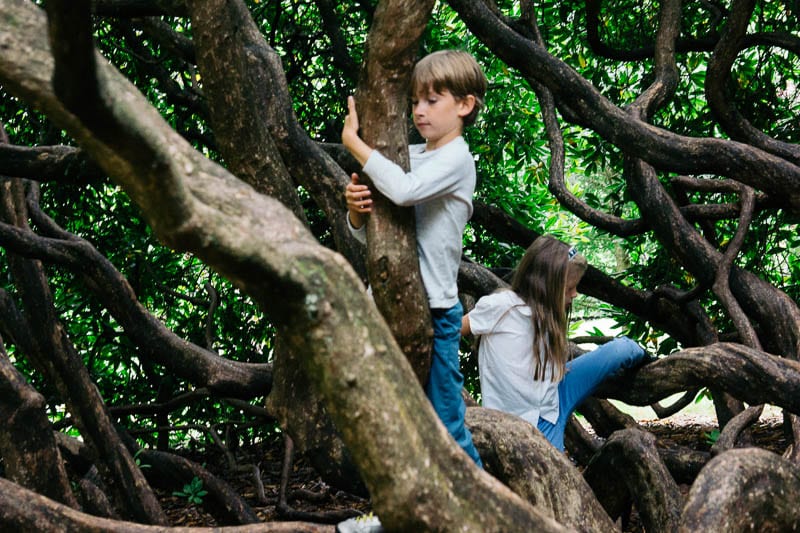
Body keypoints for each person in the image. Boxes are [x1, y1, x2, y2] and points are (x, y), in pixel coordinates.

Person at [341, 49, 488, 468]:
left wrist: (355, 144)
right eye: (414, 102)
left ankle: (485, 515)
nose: (419, 111)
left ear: (464, 105)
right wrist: (355, 209)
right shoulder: (410, 154)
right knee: (391, 422)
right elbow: (372, 232)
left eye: (432, 100)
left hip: (436, 312)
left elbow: (404, 190)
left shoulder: (457, 158)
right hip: (385, 305)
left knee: (447, 426)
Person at [461, 235, 649, 452]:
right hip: (529, 425)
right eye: (570, 288)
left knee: (621, 350)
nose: (575, 294)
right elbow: (450, 331)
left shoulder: (547, 313)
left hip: (555, 396)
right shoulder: (501, 307)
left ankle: (645, 357)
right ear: (546, 285)